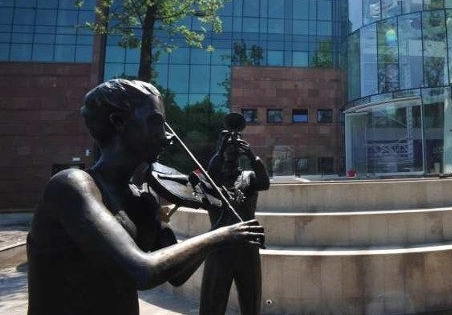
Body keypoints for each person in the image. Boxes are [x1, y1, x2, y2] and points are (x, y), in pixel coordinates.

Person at [27, 79, 264, 315]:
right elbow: (141, 270)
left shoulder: (142, 200)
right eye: (156, 123)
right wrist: (222, 235)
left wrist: (225, 219)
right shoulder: (71, 185)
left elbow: (179, 276)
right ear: (118, 122)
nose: (168, 137)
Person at [200, 123, 270, 315]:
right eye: (226, 148)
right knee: (212, 303)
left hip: (247, 249)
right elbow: (208, 179)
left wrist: (253, 156)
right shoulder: (213, 180)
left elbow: (264, 182)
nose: (231, 151)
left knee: (251, 301)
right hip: (220, 247)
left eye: (234, 148)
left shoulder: (249, 178)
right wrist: (220, 149)